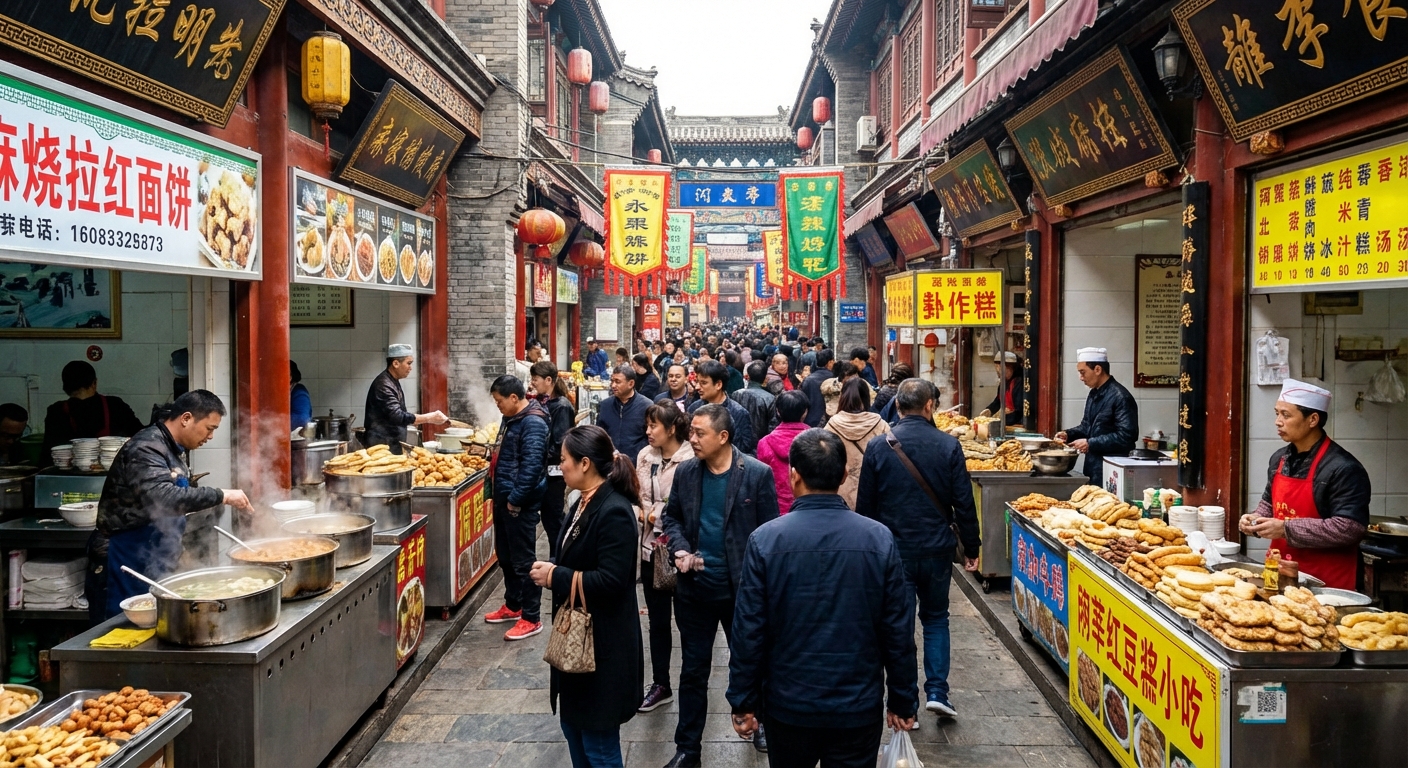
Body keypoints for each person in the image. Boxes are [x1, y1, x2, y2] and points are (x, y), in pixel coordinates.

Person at [727, 429, 918, 767]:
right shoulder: (878, 539)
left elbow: (748, 630)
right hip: (856, 706)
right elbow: (897, 629)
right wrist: (903, 698)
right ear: (844, 476)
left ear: (792, 475)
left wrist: (744, 700)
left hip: (789, 705)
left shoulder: (765, 540)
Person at [660, 404, 779, 766]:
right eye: (690, 432)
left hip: (741, 592)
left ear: (723, 437)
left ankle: (757, 721)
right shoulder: (686, 473)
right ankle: (688, 748)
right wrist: (679, 549)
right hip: (695, 590)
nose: (691, 439)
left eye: (699, 433)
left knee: (752, 661)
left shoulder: (756, 474)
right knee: (693, 671)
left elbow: (768, 532)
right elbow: (671, 517)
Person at [855, 379, 981, 719]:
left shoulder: (880, 447)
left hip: (894, 551)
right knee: (937, 618)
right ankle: (938, 690)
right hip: (937, 549)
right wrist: (972, 546)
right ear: (930, 407)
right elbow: (964, 503)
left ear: (897, 407)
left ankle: (905, 698)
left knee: (900, 623)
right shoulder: (948, 446)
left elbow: (866, 506)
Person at [528, 426, 643, 768]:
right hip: (577, 645)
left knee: (599, 746)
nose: (559, 466)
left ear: (585, 463)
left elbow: (613, 580)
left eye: (563, 460)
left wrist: (555, 576)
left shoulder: (615, 510)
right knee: (574, 730)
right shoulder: (581, 501)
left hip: (602, 647)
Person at [85, 390, 254, 622]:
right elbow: (163, 498)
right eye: (210, 428)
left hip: (153, 553)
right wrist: (221, 495)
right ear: (186, 418)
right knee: (121, 632)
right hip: (124, 555)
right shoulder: (146, 447)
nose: (211, 436)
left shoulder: (171, 447)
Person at [1238, 379, 1370, 590]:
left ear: (1313, 419)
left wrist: (1285, 528)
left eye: (1286, 415)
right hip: (1280, 572)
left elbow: (1349, 528)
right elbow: (1269, 503)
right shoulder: (1279, 459)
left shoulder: (1344, 468)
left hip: (1327, 581)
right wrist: (1255, 520)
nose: (1278, 421)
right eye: (1277, 413)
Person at [635, 403, 694, 714]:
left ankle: (692, 680)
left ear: (672, 429)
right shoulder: (645, 456)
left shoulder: (691, 459)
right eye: (647, 425)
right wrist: (642, 511)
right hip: (649, 549)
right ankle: (661, 683)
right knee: (658, 622)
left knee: (687, 621)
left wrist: (661, 512)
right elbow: (638, 494)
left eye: (654, 426)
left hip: (681, 551)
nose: (648, 431)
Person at [483, 375, 551, 641]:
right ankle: (514, 605)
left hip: (518, 503)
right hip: (505, 499)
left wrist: (515, 499)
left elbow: (532, 467)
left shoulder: (532, 422)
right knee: (507, 557)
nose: (497, 406)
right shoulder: (511, 419)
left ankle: (532, 617)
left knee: (524, 562)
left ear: (514, 398)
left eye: (500, 401)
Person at [1055, 347, 1139, 486]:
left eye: (1083, 372)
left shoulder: (1121, 397)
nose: (1081, 378)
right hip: (1093, 465)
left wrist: (1091, 443)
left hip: (1113, 468)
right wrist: (1068, 435)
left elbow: (1126, 436)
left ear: (1098, 370)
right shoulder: (1094, 393)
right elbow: (1086, 426)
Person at [42, 361, 144, 452]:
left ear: (65, 388)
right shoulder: (115, 405)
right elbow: (141, 436)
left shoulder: (56, 411)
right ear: (94, 383)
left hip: (66, 473)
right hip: (111, 471)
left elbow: (47, 453)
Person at [363, 344, 447, 454]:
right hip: (381, 447)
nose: (410, 367)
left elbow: (395, 413)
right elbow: (397, 416)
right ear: (396, 363)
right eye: (408, 363)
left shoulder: (392, 381)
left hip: (391, 444)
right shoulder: (383, 385)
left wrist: (415, 420)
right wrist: (428, 418)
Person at [531, 361, 577, 560]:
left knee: (554, 521)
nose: (532, 383)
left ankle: (559, 560)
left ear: (548, 380)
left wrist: (534, 454)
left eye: (535, 379)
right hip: (543, 472)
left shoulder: (562, 406)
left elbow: (560, 444)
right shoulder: (543, 402)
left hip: (554, 474)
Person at [825, 379, 890, 509]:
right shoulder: (881, 425)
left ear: (842, 397)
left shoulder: (831, 426)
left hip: (840, 495)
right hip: (874, 494)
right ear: (867, 398)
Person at [754, 391, 809, 516]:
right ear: (805, 412)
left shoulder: (765, 443)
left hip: (775, 510)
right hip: (809, 509)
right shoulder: (817, 440)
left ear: (778, 411)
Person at [687, 361, 755, 455]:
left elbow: (745, 451)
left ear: (718, 384)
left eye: (703, 383)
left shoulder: (739, 413)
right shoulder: (693, 409)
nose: (697, 387)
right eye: (697, 382)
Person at [597, 365, 651, 462]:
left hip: (637, 463)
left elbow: (650, 438)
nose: (613, 385)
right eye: (612, 381)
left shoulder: (646, 406)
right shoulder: (605, 405)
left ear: (631, 383)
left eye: (617, 382)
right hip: (610, 463)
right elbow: (599, 434)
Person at [731, 361, 778, 443]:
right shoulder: (770, 398)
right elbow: (773, 427)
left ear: (748, 376)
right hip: (760, 444)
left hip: (738, 442)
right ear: (765, 378)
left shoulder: (736, 394)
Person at [985, 352, 1025, 427]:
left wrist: (1002, 418)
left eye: (1001, 369)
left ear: (1011, 367)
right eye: (997, 368)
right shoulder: (1004, 383)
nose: (998, 372)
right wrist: (989, 410)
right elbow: (998, 401)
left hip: (1017, 424)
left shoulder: (1019, 383)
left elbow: (1019, 411)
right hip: (1007, 423)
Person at [800, 349, 834, 428]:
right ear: (830, 362)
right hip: (831, 422)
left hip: (810, 422)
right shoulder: (835, 378)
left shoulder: (808, 380)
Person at [290, 361, 312, 432]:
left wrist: (273, 422)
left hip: (296, 439)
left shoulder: (299, 391)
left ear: (290, 377)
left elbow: (301, 418)